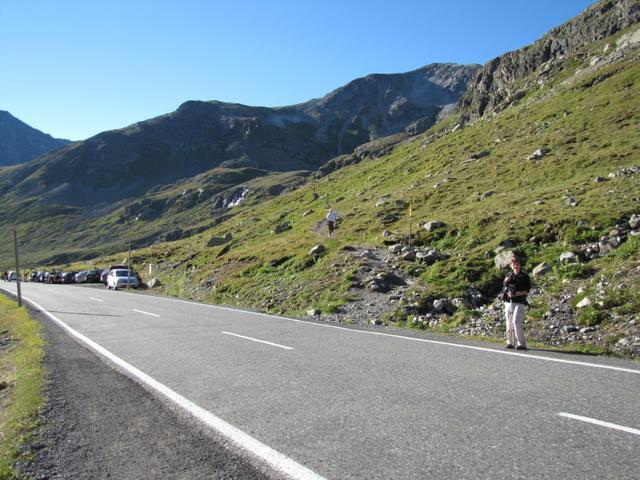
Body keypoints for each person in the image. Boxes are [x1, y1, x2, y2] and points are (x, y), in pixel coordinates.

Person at [503, 258, 531, 350]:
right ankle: (510, 342)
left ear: (520, 265)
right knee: (509, 322)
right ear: (511, 266)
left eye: (517, 264)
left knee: (516, 321)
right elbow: (505, 286)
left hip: (520, 301)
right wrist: (509, 293)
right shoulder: (508, 275)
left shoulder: (525, 277)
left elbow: (526, 291)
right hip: (509, 301)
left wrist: (515, 294)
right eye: (513, 265)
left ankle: (521, 343)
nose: (515, 266)